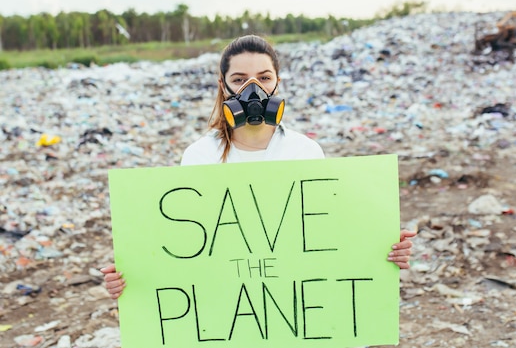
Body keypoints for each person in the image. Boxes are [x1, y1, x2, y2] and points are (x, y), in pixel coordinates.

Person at [101, 34, 416, 299]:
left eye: (264, 78)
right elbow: (188, 246)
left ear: (277, 82)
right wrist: (132, 278)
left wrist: (382, 248)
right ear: (224, 86)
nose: (253, 89)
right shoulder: (200, 156)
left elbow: (326, 238)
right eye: (239, 80)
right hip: (230, 306)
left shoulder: (305, 151)